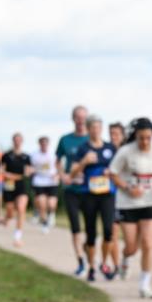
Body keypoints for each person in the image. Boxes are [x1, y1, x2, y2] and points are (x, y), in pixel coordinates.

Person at [109, 118, 152, 298]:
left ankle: (145, 284)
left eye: (148, 138)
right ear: (135, 136)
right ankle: (125, 259)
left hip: (151, 201)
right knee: (132, 246)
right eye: (141, 138)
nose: (145, 142)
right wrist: (127, 188)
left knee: (148, 243)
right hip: (128, 203)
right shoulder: (125, 152)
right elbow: (113, 173)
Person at [69, 115, 119, 282]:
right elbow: (72, 173)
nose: (96, 130)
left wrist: (110, 172)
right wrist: (84, 162)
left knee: (108, 231)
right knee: (91, 232)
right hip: (88, 194)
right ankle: (91, 267)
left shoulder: (110, 148)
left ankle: (103, 262)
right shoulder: (83, 149)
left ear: (101, 129)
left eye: (98, 127)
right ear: (88, 129)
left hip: (107, 194)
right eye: (93, 128)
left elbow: (120, 168)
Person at [56, 105, 90, 275]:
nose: (81, 120)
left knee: (90, 228)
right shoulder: (65, 140)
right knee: (75, 227)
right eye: (78, 117)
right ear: (73, 119)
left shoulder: (93, 138)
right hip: (71, 189)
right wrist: (62, 175)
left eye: (83, 117)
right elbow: (57, 160)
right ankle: (80, 261)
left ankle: (87, 248)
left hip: (89, 189)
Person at [0, 133, 33, 247]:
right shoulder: (6, 155)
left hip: (21, 186)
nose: (17, 142)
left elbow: (27, 173)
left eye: (19, 140)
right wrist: (8, 175)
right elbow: (2, 170)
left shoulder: (26, 157)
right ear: (13, 141)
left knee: (21, 208)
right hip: (9, 185)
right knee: (10, 211)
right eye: (15, 140)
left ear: (22, 141)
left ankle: (17, 237)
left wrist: (18, 175)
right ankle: (6, 218)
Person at [105, 122, 126, 277]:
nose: (113, 137)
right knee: (113, 233)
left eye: (116, 134)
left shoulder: (129, 152)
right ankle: (116, 265)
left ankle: (125, 261)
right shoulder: (106, 152)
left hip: (129, 199)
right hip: (111, 197)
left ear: (123, 136)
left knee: (131, 236)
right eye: (111, 134)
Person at [30, 136, 59, 232]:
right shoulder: (34, 155)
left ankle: (51, 214)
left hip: (52, 181)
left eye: (46, 143)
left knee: (51, 204)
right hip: (39, 181)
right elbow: (30, 167)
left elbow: (59, 166)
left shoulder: (53, 154)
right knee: (42, 204)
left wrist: (58, 174)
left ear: (48, 144)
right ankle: (45, 223)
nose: (44, 145)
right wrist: (31, 171)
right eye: (42, 143)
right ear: (39, 144)